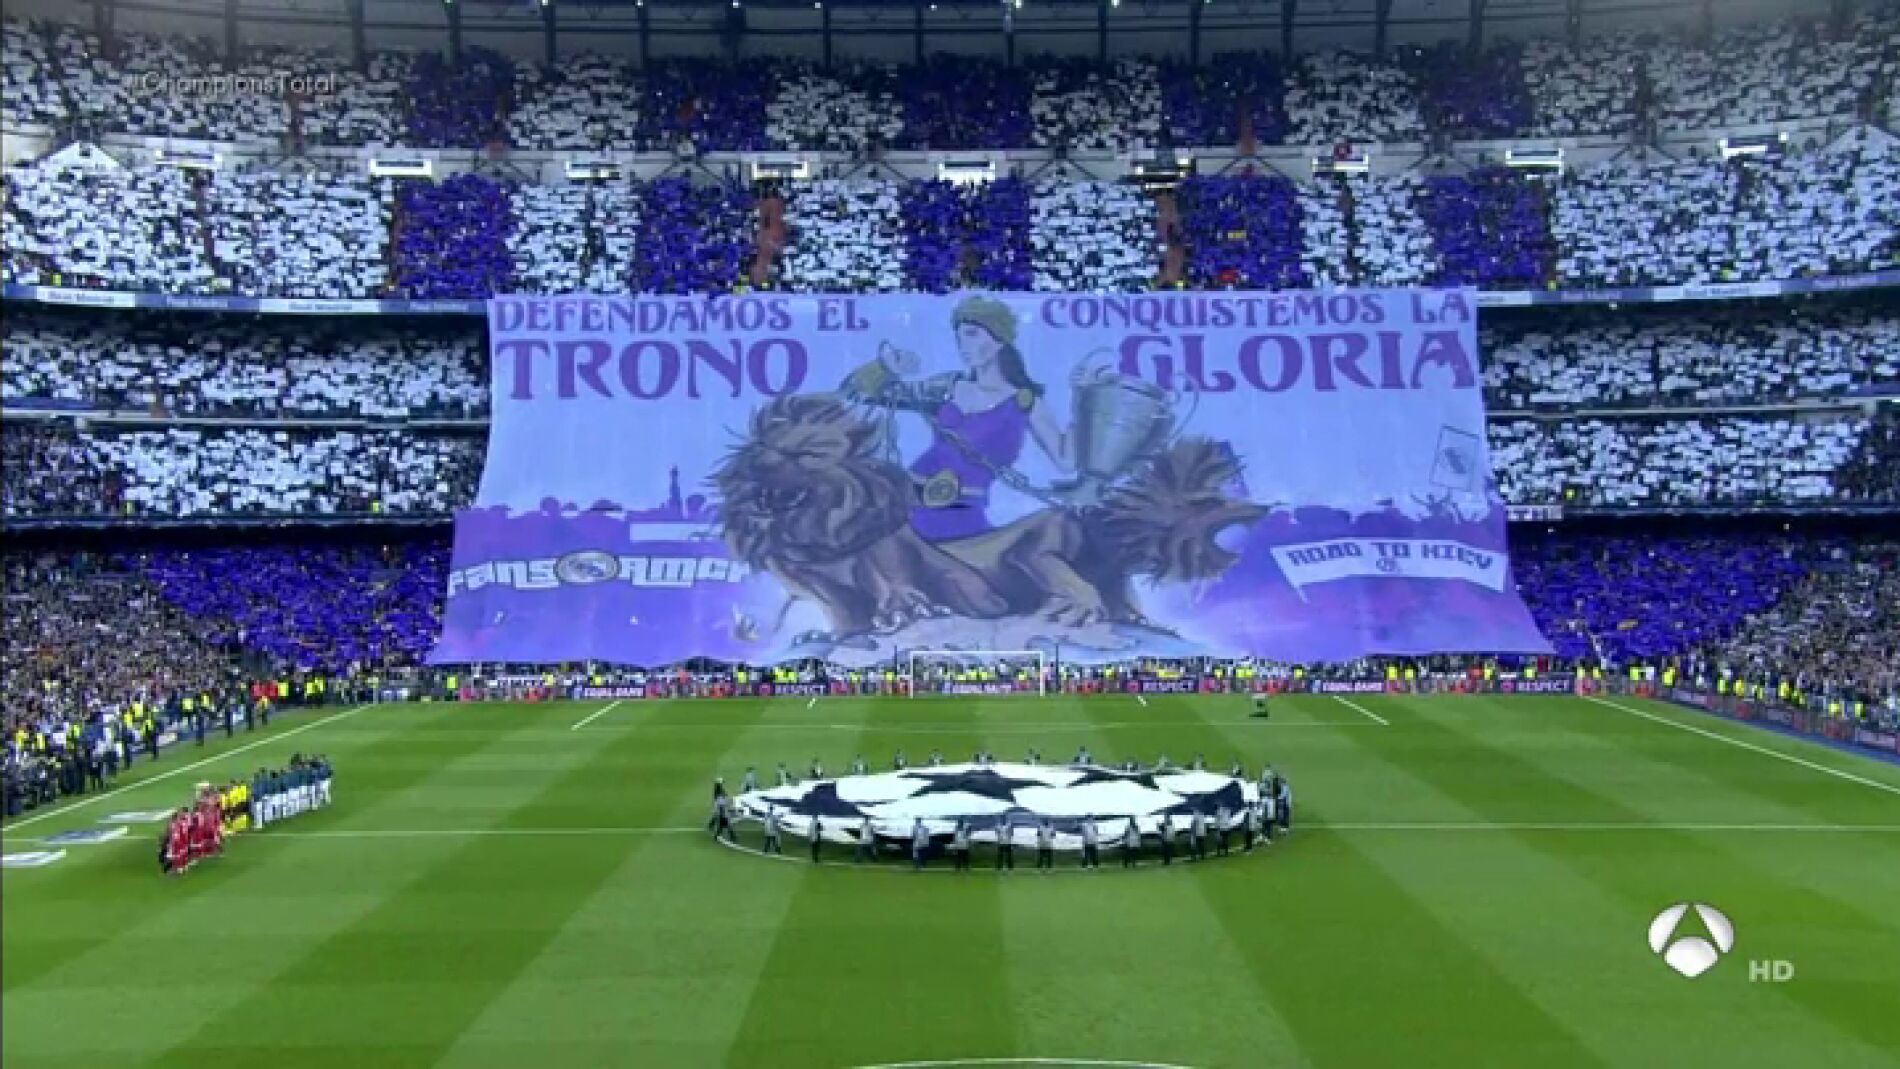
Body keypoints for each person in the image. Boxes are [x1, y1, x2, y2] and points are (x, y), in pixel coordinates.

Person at [841, 297, 1080, 542]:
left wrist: (1085, 402)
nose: (963, 346)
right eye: (959, 338)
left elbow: (1066, 461)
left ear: (999, 338)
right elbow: (854, 394)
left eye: (972, 334)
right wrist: (885, 367)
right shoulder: (947, 387)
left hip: (963, 514)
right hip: (906, 504)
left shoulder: (1025, 403)